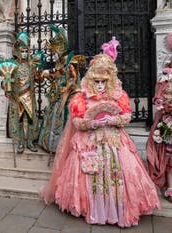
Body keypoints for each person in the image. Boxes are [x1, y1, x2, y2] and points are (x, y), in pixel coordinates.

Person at [40, 37, 160, 227]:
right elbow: (77, 121)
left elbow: (127, 115)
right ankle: (93, 209)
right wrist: (91, 123)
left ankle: (116, 210)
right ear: (91, 78)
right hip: (88, 141)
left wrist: (113, 119)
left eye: (104, 81)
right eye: (97, 81)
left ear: (110, 79)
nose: (101, 85)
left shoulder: (118, 95)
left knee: (116, 173)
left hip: (114, 141)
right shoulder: (82, 97)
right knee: (88, 172)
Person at [38, 25, 85, 152]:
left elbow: (72, 77)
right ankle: (52, 144)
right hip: (56, 94)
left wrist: (53, 74)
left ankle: (63, 146)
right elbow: (57, 75)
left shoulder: (70, 61)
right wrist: (49, 75)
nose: (56, 51)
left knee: (63, 118)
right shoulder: (59, 60)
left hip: (67, 95)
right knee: (54, 117)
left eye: (57, 47)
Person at [0, 32, 44, 154]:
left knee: (31, 120)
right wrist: (7, 86)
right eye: (22, 51)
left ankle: (30, 142)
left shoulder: (32, 65)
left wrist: (39, 74)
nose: (24, 54)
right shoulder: (13, 65)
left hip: (30, 97)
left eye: (26, 51)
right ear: (17, 51)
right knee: (20, 120)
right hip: (18, 98)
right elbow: (6, 82)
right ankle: (21, 142)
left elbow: (39, 80)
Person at [146, 58, 172, 202]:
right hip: (168, 120)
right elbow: (158, 99)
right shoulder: (165, 77)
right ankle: (170, 186)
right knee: (169, 153)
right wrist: (164, 106)